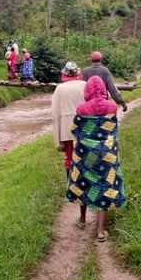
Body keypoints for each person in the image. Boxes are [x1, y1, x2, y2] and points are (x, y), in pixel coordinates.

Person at [67, 75, 127, 242]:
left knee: (83, 183)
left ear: (87, 91)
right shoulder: (112, 107)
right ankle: (100, 231)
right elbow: (113, 130)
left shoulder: (81, 109)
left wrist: (86, 142)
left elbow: (74, 129)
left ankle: (83, 219)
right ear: (103, 90)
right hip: (106, 155)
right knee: (104, 185)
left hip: (85, 155)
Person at [51, 61, 86, 179]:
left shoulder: (59, 89)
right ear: (78, 73)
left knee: (69, 157)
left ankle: (70, 186)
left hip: (67, 129)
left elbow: (55, 111)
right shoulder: (85, 85)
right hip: (84, 126)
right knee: (85, 155)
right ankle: (85, 184)